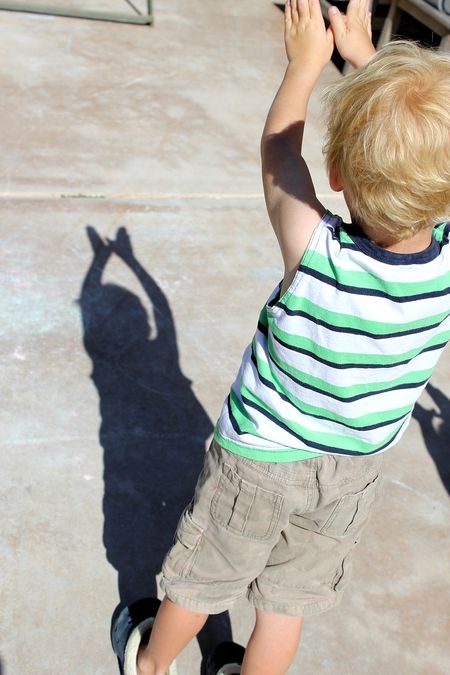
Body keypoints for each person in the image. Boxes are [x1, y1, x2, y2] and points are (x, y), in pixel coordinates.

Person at [112, 1, 450, 673]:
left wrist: (304, 64)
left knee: (204, 576)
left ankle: (152, 664)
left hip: (260, 457)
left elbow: (276, 151)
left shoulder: (316, 248)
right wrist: (363, 55)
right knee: (286, 602)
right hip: (353, 468)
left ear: (338, 178)